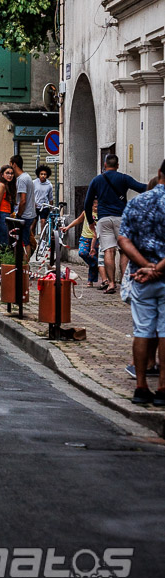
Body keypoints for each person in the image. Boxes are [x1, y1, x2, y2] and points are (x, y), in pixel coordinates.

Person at [117, 159, 165, 406]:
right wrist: (158, 267)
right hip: (162, 275)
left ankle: (141, 386)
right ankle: (163, 387)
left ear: (159, 174)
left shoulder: (137, 201)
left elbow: (123, 239)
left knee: (142, 330)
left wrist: (144, 265)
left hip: (140, 277)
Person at [84, 154, 147, 294]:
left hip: (103, 219)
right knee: (124, 250)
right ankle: (125, 283)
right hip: (121, 218)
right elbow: (141, 188)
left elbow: (87, 203)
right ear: (117, 165)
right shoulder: (124, 178)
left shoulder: (96, 180)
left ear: (105, 165)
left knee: (108, 250)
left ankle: (111, 284)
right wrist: (158, 184)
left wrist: (90, 222)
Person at [0, 165, 16, 282]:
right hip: (0, 216)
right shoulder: (0, 186)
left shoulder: (4, 185)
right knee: (3, 246)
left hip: (1, 216)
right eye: (7, 173)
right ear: (2, 174)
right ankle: (0, 273)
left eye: (11, 173)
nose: (10, 175)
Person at [10, 154, 36, 260]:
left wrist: (19, 214)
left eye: (10, 164)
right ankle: (25, 265)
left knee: (24, 241)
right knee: (25, 240)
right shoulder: (27, 176)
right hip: (30, 213)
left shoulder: (21, 179)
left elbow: (23, 200)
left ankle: (24, 265)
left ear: (14, 164)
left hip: (25, 215)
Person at [33, 165, 54, 235]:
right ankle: (31, 239)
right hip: (35, 206)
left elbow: (50, 198)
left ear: (47, 175)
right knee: (33, 223)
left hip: (44, 206)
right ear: (38, 174)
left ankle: (43, 239)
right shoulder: (34, 183)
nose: (43, 176)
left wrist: (51, 208)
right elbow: (30, 194)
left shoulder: (49, 185)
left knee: (43, 222)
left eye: (45, 174)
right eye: (41, 174)